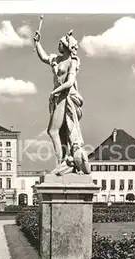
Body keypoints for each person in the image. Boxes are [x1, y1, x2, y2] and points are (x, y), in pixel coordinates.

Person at [34, 29, 90, 175]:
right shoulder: (56, 60)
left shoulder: (72, 62)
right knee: (61, 132)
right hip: (59, 97)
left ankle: (61, 163)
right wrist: (37, 43)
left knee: (53, 130)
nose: (58, 45)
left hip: (66, 97)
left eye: (60, 43)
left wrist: (54, 92)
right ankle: (65, 160)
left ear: (66, 46)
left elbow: (70, 82)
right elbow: (44, 57)